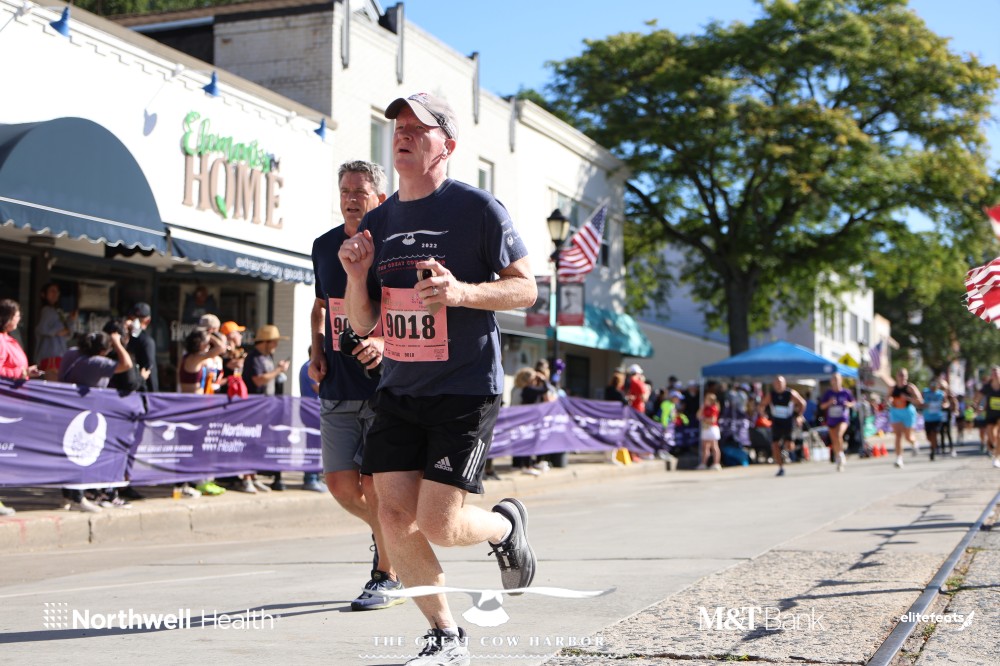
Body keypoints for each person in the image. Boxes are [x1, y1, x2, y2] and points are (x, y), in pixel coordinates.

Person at [338, 92, 538, 664]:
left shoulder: (477, 208)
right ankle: (446, 636)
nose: (402, 133)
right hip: (400, 388)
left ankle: (503, 528)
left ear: (445, 145)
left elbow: (526, 288)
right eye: (398, 126)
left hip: (465, 386)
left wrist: (461, 292)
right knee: (392, 517)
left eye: (417, 128)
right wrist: (355, 275)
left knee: (440, 524)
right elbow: (364, 322)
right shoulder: (379, 220)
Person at [310, 159, 405, 611]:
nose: (350, 199)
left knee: (377, 486)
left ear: (379, 199)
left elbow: (405, 309)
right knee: (342, 486)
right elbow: (320, 307)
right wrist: (316, 352)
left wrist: (384, 342)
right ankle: (393, 536)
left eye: (360, 192)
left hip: (386, 386)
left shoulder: (393, 247)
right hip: (337, 384)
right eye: (345, 191)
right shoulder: (323, 246)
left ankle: (388, 573)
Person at [58, 329, 134, 512]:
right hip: (85, 414)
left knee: (68, 455)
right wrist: (117, 343)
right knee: (81, 454)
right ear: (101, 351)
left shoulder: (71, 353)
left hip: (66, 410)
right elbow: (127, 364)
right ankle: (78, 498)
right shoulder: (96, 362)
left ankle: (67, 496)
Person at [758, 376, 806, 476]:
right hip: (776, 422)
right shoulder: (771, 395)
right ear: (774, 385)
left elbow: (802, 403)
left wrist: (799, 416)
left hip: (788, 422)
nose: (778, 385)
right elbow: (762, 405)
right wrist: (763, 414)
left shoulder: (790, 393)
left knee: (789, 445)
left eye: (780, 383)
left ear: (784, 383)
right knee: (774, 445)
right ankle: (780, 467)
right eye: (777, 383)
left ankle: (787, 451)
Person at [34, 283, 76, 381]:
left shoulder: (57, 311)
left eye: (57, 292)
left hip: (59, 353)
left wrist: (71, 320)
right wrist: (56, 332)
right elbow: (41, 329)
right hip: (49, 355)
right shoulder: (46, 310)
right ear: (44, 294)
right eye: (52, 291)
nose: (55, 294)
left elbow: (67, 333)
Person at [819, 372, 856, 472]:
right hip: (832, 419)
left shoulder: (846, 392)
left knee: (839, 434)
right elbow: (822, 406)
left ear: (841, 380)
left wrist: (848, 404)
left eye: (837, 379)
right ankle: (838, 457)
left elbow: (853, 402)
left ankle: (841, 454)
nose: (835, 381)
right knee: (834, 439)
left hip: (842, 418)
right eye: (834, 379)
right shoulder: (828, 393)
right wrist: (829, 403)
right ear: (831, 381)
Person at [888, 368, 923, 468]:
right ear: (897, 376)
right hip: (896, 412)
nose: (902, 377)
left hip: (908, 412)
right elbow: (887, 397)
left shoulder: (910, 387)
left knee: (908, 437)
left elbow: (920, 400)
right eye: (900, 375)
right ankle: (899, 459)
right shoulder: (892, 388)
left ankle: (914, 442)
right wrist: (889, 400)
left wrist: (908, 398)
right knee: (898, 435)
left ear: (907, 377)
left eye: (904, 375)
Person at [0, 299, 43, 381]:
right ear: (8, 318)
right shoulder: (1, 340)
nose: (19, 319)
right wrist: (22, 373)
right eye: (17, 316)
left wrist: (26, 371)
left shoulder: (7, 339)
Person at [972, 366, 1000, 469]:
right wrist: (976, 406)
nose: (995, 375)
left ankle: (997, 458)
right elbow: (978, 397)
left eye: (997, 372)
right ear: (991, 375)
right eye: (993, 373)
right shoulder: (987, 387)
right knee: (991, 434)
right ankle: (996, 448)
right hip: (990, 413)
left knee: (999, 435)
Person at [126, 302, 158, 392]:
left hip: (141, 390)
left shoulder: (146, 341)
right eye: (134, 318)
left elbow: (149, 370)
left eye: (139, 319)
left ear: (147, 320)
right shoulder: (125, 338)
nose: (135, 321)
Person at [921, 378, 948, 462]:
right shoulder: (925, 392)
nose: (933, 386)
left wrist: (944, 405)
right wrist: (923, 405)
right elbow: (920, 401)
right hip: (927, 418)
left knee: (934, 433)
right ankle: (934, 444)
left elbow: (946, 403)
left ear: (938, 385)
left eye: (935, 384)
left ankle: (932, 450)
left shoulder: (941, 394)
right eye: (932, 384)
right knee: (928, 437)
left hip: (937, 418)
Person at [697, 392, 722, 470]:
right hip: (706, 429)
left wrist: (703, 419)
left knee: (714, 446)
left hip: (712, 429)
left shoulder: (714, 408)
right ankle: (703, 464)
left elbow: (712, 420)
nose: (705, 401)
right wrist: (702, 408)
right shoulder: (705, 408)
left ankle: (716, 464)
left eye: (707, 399)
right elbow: (698, 416)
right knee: (705, 447)